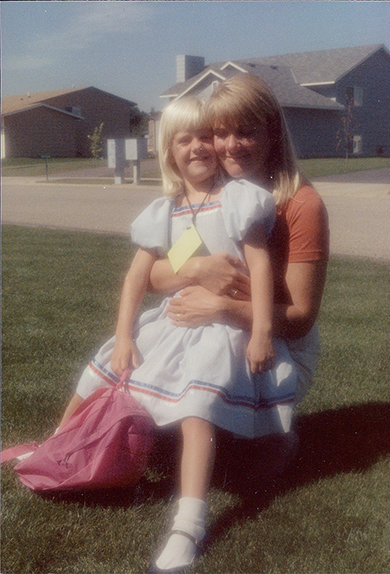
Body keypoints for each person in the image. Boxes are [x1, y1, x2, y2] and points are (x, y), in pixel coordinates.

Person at [58, 95, 297, 574]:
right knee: (102, 367)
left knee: (197, 403)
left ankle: (190, 520)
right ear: (169, 152)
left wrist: (262, 332)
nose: (198, 146)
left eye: (205, 136)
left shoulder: (235, 200)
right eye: (184, 139)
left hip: (223, 328)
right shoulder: (171, 212)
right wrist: (124, 335)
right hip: (176, 320)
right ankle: (58, 447)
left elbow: (259, 265)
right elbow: (142, 277)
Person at [149, 74, 329, 412]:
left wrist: (222, 309)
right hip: (215, 331)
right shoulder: (215, 195)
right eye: (220, 133)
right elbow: (155, 276)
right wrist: (197, 267)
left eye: (245, 132)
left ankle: (276, 443)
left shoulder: (301, 204)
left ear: (272, 133)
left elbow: (301, 319)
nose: (230, 145)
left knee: (204, 419)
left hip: (280, 344)